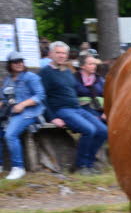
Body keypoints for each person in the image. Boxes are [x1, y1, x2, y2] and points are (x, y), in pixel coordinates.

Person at [39, 41, 108, 174]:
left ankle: (89, 164)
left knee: (103, 130)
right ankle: (80, 166)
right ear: (51, 54)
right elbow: (42, 98)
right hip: (62, 110)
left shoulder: (67, 71)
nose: (61, 55)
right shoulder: (45, 73)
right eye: (58, 52)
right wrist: (52, 117)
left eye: (64, 53)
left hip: (77, 108)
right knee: (89, 130)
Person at [0, 52, 46, 180]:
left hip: (30, 113)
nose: (19, 63)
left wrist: (23, 104)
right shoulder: (8, 80)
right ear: (9, 65)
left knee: (10, 135)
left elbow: (40, 96)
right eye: (16, 61)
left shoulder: (31, 77)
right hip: (11, 113)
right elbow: (4, 99)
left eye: (21, 61)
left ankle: (18, 168)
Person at [74, 54, 105, 119]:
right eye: (90, 64)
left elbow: (107, 96)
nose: (94, 66)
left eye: (95, 64)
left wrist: (105, 113)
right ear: (82, 66)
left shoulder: (99, 79)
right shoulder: (75, 78)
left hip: (101, 109)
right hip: (83, 109)